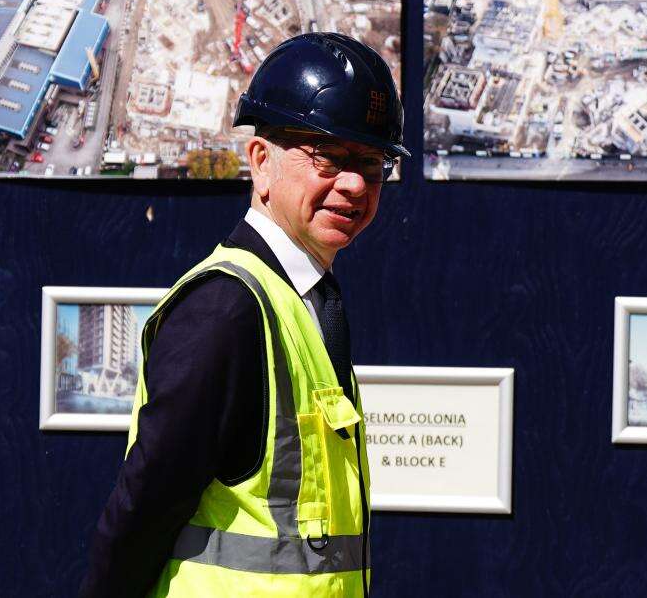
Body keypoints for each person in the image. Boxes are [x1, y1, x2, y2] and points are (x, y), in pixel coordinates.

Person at [78, 33, 407, 598]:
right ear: (260, 161)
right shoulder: (226, 309)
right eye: (329, 156)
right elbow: (143, 508)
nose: (354, 184)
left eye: (373, 164)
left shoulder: (302, 304)